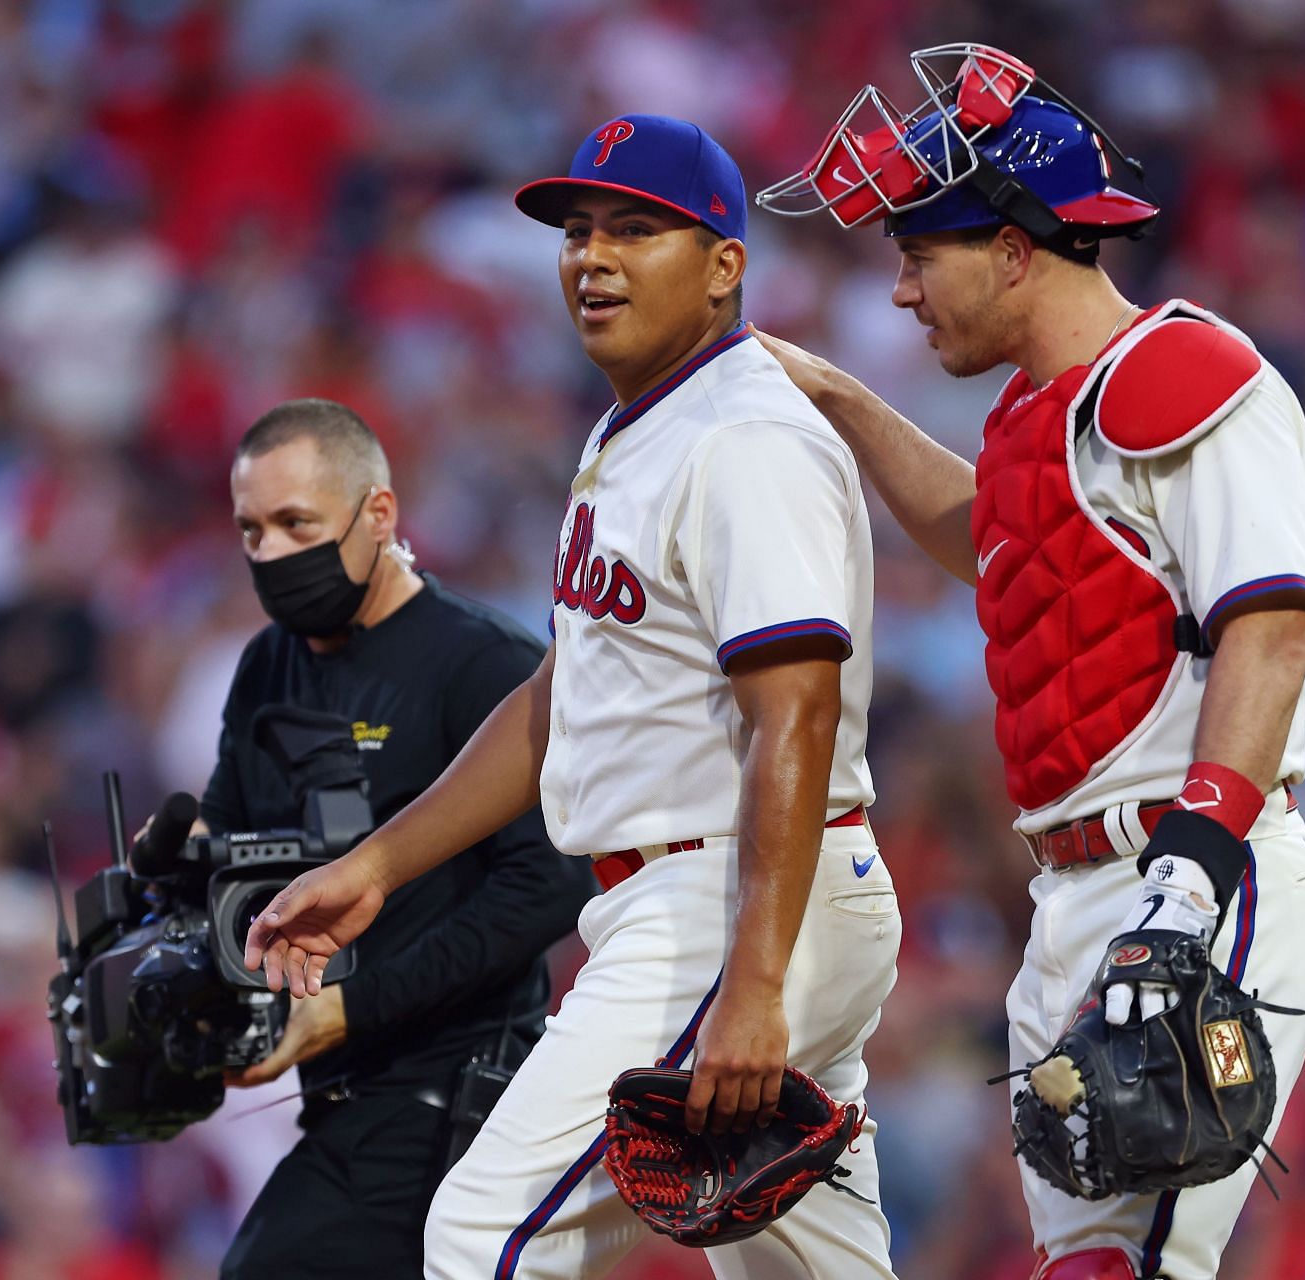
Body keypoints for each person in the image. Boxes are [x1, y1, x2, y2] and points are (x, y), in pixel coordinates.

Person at [244, 115, 902, 1279]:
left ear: (724, 266)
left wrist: (753, 980)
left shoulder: (745, 435)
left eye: (635, 230)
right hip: (718, 899)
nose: (591, 257)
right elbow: (565, 697)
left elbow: (793, 712)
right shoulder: (637, 428)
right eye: (577, 231)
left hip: (731, 897)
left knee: (486, 1239)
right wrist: (375, 867)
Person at [753, 43, 1305, 1280]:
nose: (904, 291)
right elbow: (1003, 546)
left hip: (1193, 878)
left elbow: (1272, 625)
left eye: (920, 256)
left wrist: (1189, 881)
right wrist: (837, 398)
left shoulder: (1191, 375)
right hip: (1071, 898)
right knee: (1082, 1266)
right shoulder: (1035, 417)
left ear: (1016, 250)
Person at [202, 399, 596, 1280]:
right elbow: (227, 840)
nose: (270, 552)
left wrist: (351, 1007)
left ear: (378, 513)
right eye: (251, 530)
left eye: (296, 522)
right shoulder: (268, 662)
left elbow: (549, 887)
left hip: (455, 1102)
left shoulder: (482, 666)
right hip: (339, 1102)